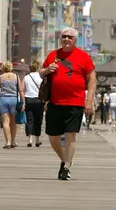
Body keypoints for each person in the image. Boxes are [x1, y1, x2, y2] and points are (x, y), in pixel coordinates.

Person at [39, 27, 97, 181]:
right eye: (64, 36)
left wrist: (89, 101)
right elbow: (40, 72)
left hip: (75, 102)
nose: (66, 39)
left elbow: (92, 79)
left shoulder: (83, 56)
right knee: (53, 137)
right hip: (55, 102)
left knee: (71, 136)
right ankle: (65, 159)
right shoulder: (53, 54)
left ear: (75, 40)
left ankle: (66, 168)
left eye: (69, 37)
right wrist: (46, 70)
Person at [0, 61, 25, 149]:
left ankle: (7, 142)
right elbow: (21, 91)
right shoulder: (16, 76)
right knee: (13, 122)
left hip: (3, 100)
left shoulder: (0, 77)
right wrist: (23, 103)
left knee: (5, 122)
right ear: (11, 67)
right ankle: (13, 141)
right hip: (14, 100)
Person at [24, 60, 44, 147]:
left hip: (28, 99)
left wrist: (23, 102)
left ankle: (30, 140)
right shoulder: (41, 77)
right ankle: (37, 140)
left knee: (29, 120)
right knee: (38, 120)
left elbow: (22, 90)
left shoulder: (26, 77)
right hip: (39, 100)